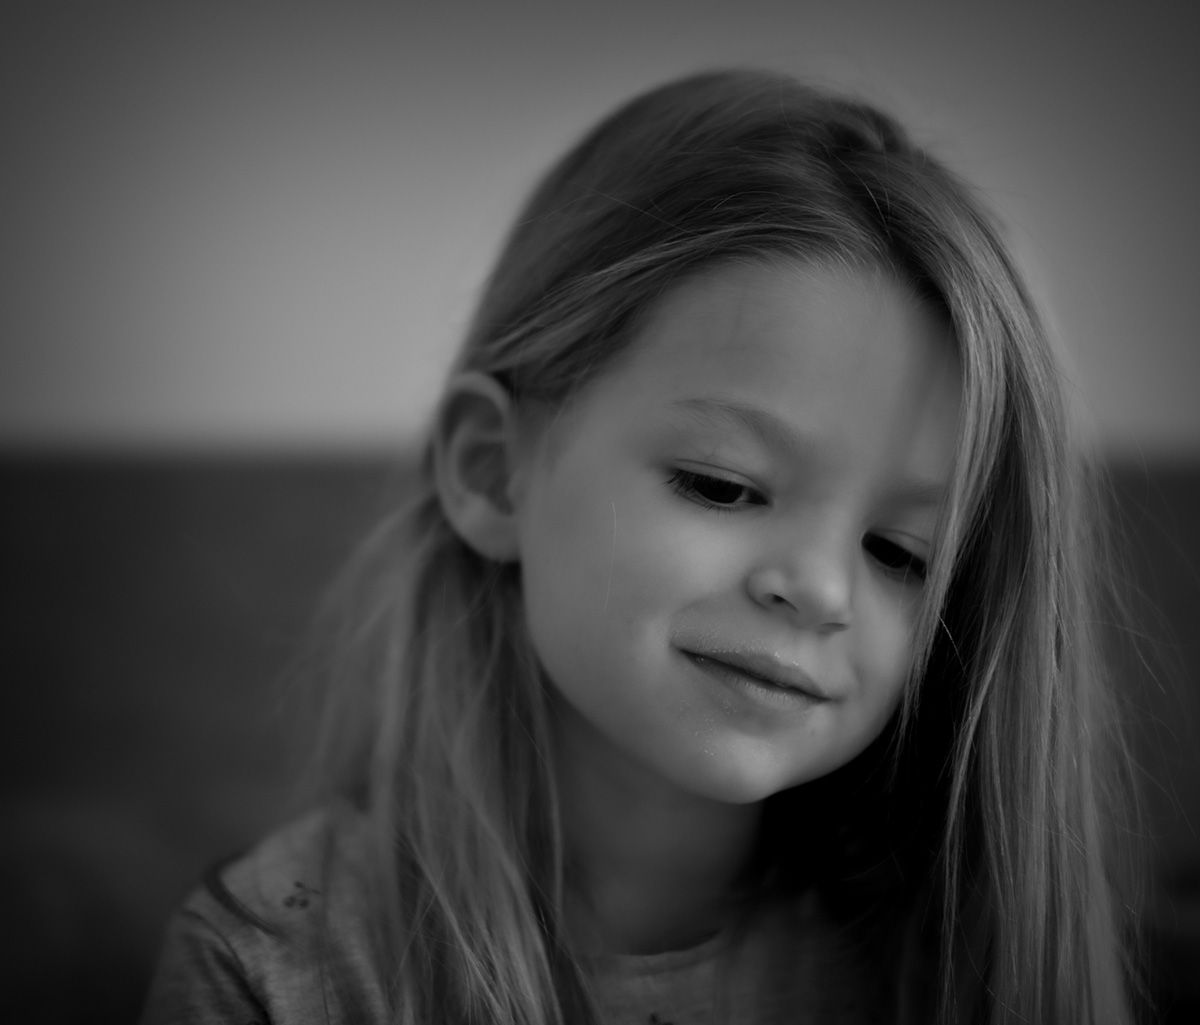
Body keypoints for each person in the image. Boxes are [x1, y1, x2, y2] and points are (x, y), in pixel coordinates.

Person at [139, 68, 1141, 1024]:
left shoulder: (950, 951)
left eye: (901, 552)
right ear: (493, 470)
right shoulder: (273, 967)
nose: (821, 586)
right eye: (723, 484)